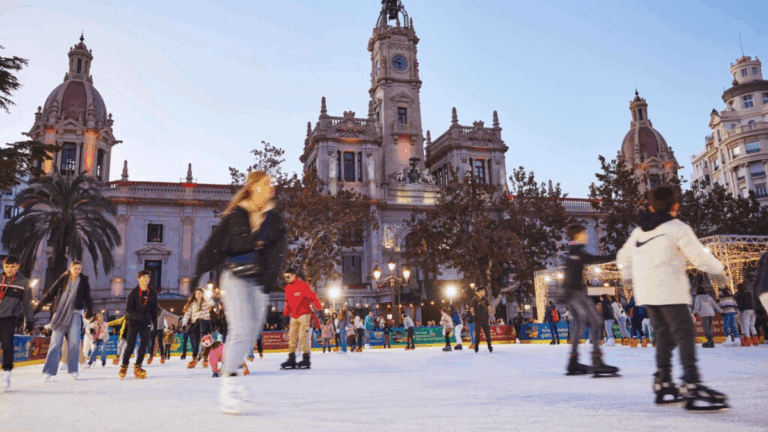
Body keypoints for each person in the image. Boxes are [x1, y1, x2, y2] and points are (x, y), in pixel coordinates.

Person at [617, 185, 729, 410]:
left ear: (650, 207)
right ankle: (691, 382)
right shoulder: (678, 227)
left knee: (664, 335)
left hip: (646, 293)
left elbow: (623, 255)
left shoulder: (639, 232)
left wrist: (627, 277)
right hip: (670, 289)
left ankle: (663, 380)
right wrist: (718, 271)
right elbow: (698, 256)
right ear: (675, 205)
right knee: (685, 332)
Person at [192, 170, 286, 414]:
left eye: (271, 184)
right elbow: (215, 246)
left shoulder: (273, 218)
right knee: (240, 328)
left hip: (258, 282)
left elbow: (277, 252)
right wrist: (198, 273)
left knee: (252, 332)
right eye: (265, 184)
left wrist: (267, 282)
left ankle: (233, 375)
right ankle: (228, 383)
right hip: (234, 277)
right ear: (253, 187)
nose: (270, 188)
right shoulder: (236, 214)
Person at [561, 224, 617, 376]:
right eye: (584, 234)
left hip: (568, 293)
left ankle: (572, 362)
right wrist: (616, 256)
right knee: (597, 321)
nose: (587, 236)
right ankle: (597, 361)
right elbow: (595, 259)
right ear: (578, 235)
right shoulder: (577, 251)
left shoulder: (570, 251)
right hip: (575, 292)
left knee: (578, 324)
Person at [37, 261, 93, 381]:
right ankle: (49, 371)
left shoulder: (83, 281)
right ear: (70, 268)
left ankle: (73, 369)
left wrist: (90, 311)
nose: (77, 271)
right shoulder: (62, 279)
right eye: (75, 268)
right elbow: (51, 293)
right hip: (60, 314)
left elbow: (87, 297)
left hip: (76, 313)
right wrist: (40, 305)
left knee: (74, 342)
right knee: (55, 342)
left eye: (79, 269)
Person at [0, 255, 35, 392]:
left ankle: (7, 372)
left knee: (8, 345)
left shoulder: (24, 282)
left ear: (18, 266)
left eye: (12, 266)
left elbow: (27, 304)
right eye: (7, 266)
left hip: (9, 318)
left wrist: (30, 322)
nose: (9, 269)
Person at [119, 270, 158, 380]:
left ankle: (138, 366)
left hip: (146, 323)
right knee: (130, 345)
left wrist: (155, 324)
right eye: (143, 277)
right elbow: (128, 310)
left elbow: (154, 310)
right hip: (133, 322)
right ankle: (124, 366)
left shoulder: (152, 293)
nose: (146, 279)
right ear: (138, 279)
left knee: (144, 345)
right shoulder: (134, 293)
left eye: (148, 277)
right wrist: (138, 317)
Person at [280, 268, 321, 369]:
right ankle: (291, 359)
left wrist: (319, 310)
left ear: (294, 275)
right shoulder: (288, 288)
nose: (286, 279)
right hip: (294, 315)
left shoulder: (303, 285)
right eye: (285, 277)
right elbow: (287, 303)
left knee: (303, 336)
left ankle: (306, 360)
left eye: (288, 276)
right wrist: (285, 316)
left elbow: (313, 297)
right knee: (292, 337)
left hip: (304, 314)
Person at [181, 288, 215, 368]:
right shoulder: (192, 304)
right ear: (195, 295)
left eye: (200, 293)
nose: (198, 295)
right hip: (195, 324)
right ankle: (194, 358)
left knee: (205, 340)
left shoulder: (206, 302)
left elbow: (212, 303)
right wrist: (184, 324)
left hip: (204, 323)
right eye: (196, 293)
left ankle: (205, 358)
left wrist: (205, 296)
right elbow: (187, 314)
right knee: (194, 342)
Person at [469, 286, 493, 353]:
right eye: (483, 291)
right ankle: (476, 346)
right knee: (477, 334)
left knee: (487, 333)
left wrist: (491, 313)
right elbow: (471, 309)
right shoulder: (474, 299)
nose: (484, 292)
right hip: (477, 319)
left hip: (485, 319)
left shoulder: (485, 299)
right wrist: (474, 316)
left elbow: (489, 306)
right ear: (480, 292)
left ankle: (489, 346)